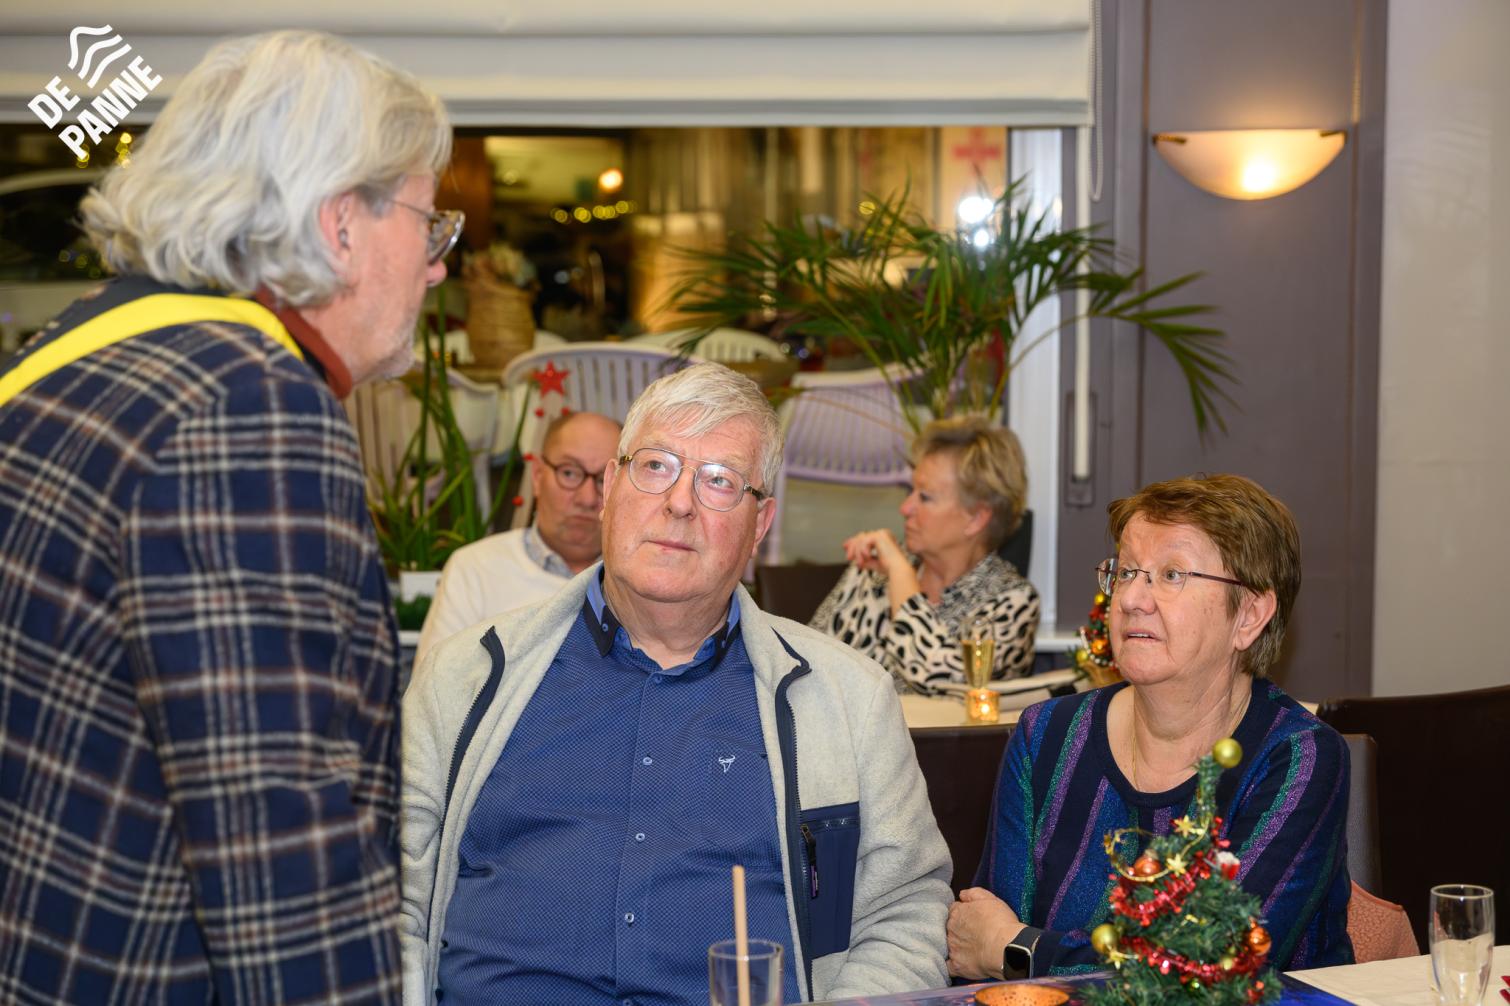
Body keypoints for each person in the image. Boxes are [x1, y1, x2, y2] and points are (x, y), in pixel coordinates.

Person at [0, 31, 457, 1003]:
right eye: (430, 224)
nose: (436, 268)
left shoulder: (76, 350)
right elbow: (277, 849)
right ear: (341, 223)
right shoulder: (247, 404)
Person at [401, 363, 952, 1005]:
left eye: (719, 481)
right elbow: (385, 899)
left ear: (759, 524)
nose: (680, 502)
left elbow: (901, 914)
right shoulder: (465, 678)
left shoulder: (849, 702)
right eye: (657, 466)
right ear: (611, 488)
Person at [946, 474, 1353, 980]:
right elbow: (979, 939)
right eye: (1126, 572)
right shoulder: (1046, 736)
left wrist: (1021, 951)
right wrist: (1004, 949)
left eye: (1172, 574)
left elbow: (1214, 967)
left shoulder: (1297, 757)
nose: (1131, 599)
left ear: (1249, 615)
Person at [809, 415, 1040, 691]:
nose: (905, 508)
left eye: (925, 497)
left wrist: (900, 574)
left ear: (976, 519)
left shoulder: (1013, 602)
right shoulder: (873, 570)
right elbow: (805, 659)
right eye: (911, 491)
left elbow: (941, 682)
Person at [414, 411, 622, 663]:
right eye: (569, 473)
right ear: (537, 476)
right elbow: (433, 681)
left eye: (603, 480)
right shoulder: (475, 569)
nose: (587, 499)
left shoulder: (639, 581)